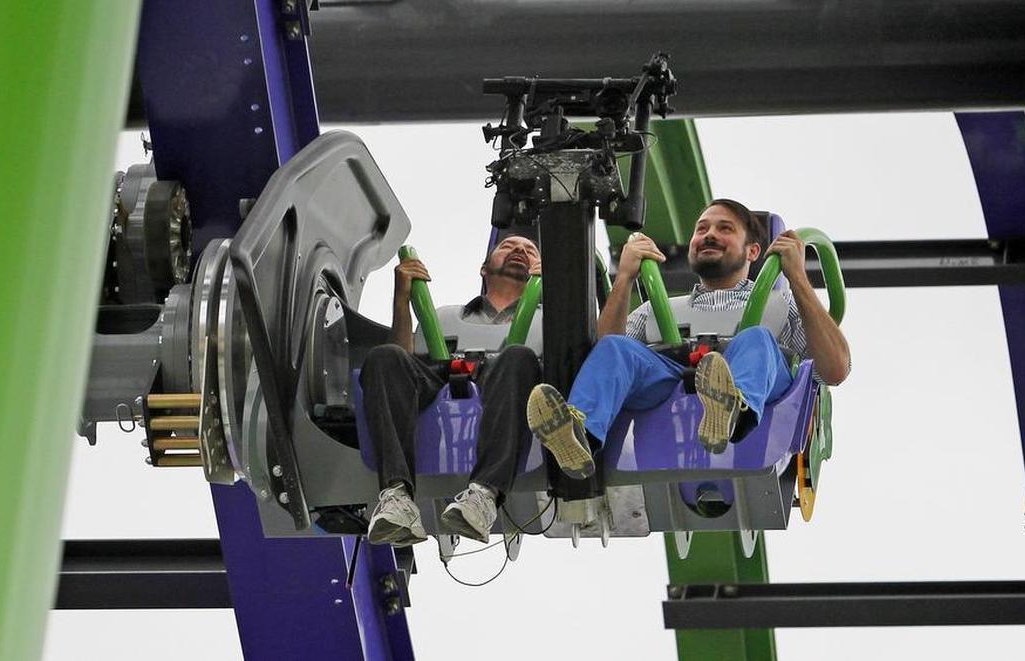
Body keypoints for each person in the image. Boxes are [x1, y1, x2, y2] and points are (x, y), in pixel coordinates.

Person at [526, 199, 851, 477]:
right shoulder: (659, 310)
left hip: (760, 393)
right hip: (674, 382)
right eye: (702, 229)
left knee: (755, 338)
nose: (709, 234)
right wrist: (624, 278)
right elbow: (600, 362)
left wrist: (797, 278)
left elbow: (835, 369)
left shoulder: (778, 304)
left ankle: (733, 408)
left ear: (754, 251)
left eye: (725, 228)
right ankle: (578, 435)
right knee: (617, 348)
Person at [362, 235, 543, 545]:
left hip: (509, 382)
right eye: (508, 246)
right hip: (443, 374)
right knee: (383, 356)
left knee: (518, 357)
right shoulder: (446, 316)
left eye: (530, 251)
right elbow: (403, 364)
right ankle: (397, 497)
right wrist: (402, 300)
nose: (519, 251)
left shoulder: (547, 322)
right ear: (484, 268)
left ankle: (484, 495)